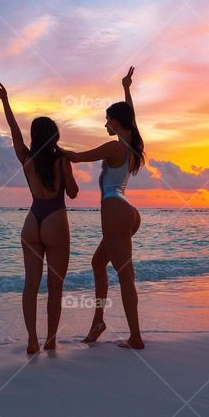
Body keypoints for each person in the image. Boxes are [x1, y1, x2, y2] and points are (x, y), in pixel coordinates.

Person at [0, 81, 79, 353]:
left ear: (35, 137)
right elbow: (73, 193)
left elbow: (14, 133)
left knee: (30, 285)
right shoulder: (61, 161)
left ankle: (31, 340)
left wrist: (5, 100)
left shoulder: (26, 159)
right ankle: (50, 340)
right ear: (54, 136)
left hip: (32, 220)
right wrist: (69, 168)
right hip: (55, 220)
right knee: (55, 287)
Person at [64, 67, 145, 349]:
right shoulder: (132, 145)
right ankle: (98, 321)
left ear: (116, 120)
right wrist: (126, 88)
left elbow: (76, 157)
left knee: (125, 276)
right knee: (98, 263)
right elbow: (132, 119)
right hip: (127, 212)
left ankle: (135, 336)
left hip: (115, 212)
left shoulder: (114, 148)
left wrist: (49, 148)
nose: (105, 124)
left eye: (108, 119)